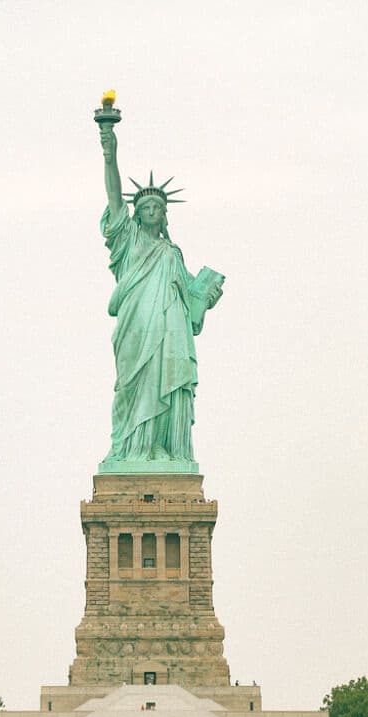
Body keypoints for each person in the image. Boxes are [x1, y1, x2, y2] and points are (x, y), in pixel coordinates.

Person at [98, 118, 224, 467]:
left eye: (158, 208)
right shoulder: (129, 241)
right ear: (136, 216)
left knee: (165, 382)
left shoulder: (172, 254)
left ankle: (164, 449)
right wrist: (109, 148)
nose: (151, 211)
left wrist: (206, 297)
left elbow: (193, 306)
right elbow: (112, 194)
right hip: (137, 329)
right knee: (134, 386)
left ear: (164, 216)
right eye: (145, 208)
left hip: (171, 335)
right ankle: (133, 448)